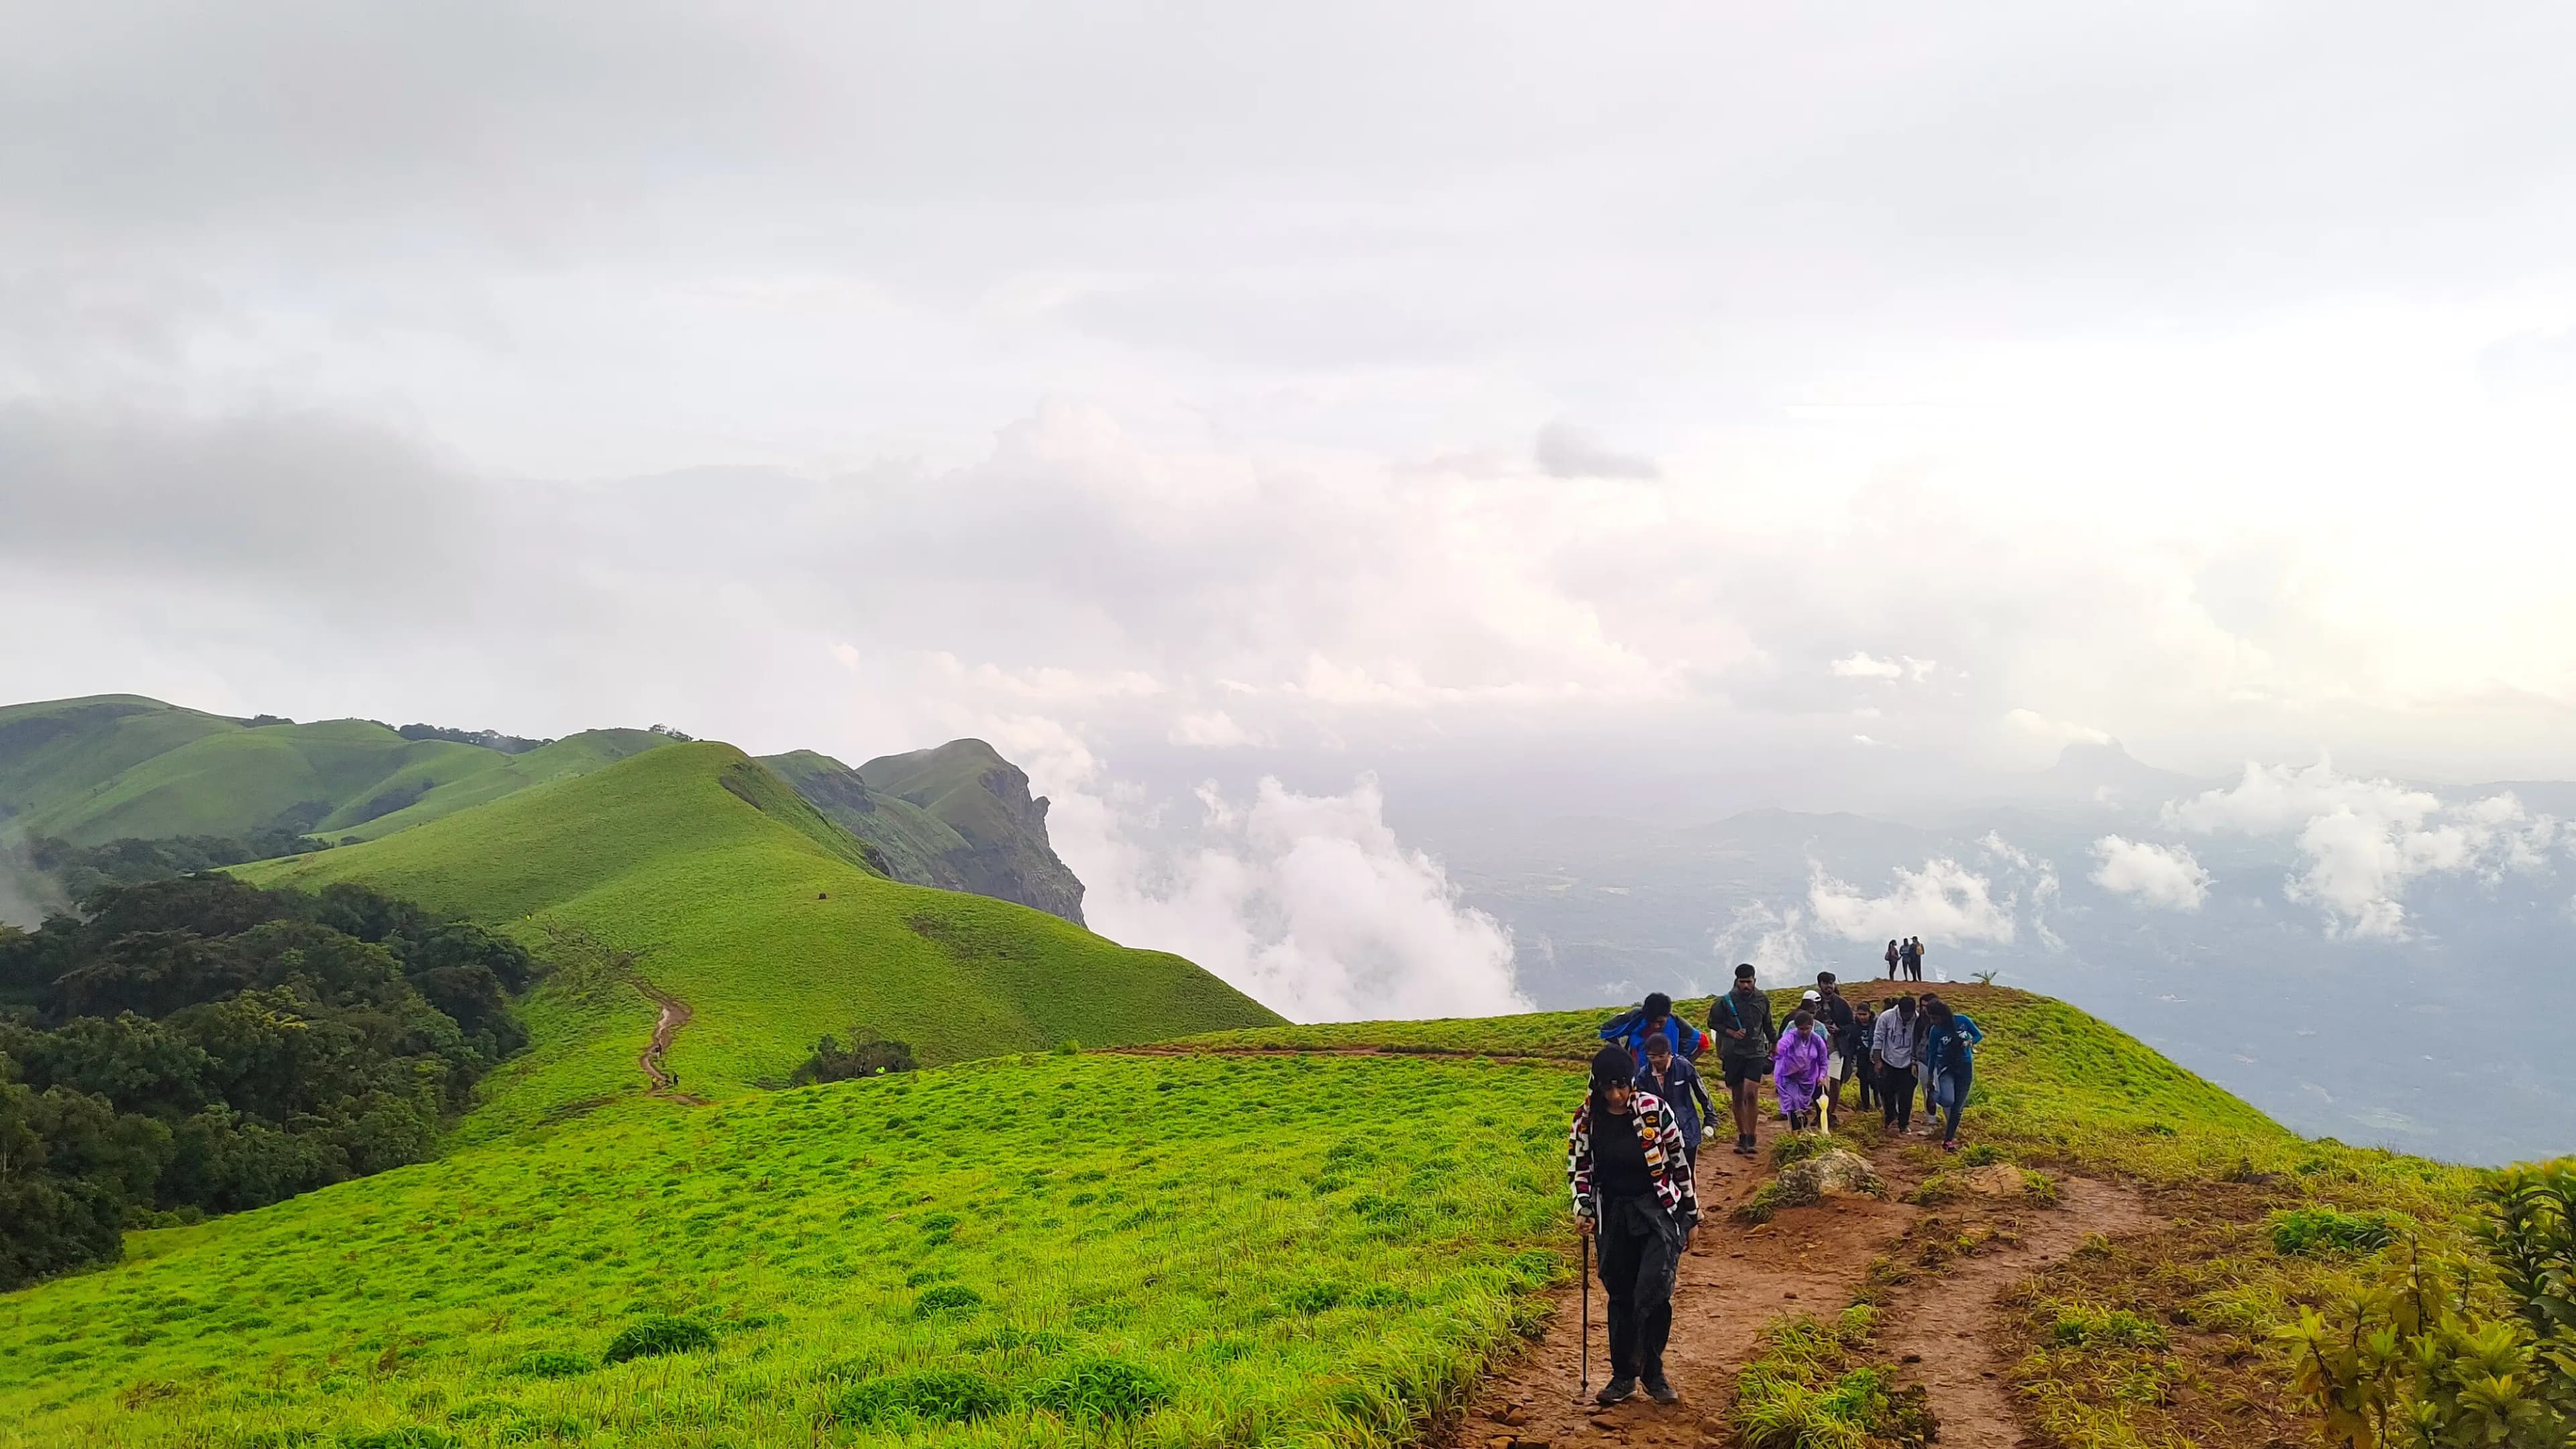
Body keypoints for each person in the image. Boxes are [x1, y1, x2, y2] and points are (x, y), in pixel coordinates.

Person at [1568, 1044, 1700, 1405]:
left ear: (1632, 1083)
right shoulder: (1586, 1119)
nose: (1616, 1095)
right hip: (1613, 1214)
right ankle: (1623, 1375)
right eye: (1607, 1089)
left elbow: (1678, 1162)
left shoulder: (1655, 1111)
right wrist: (1583, 1208)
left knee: (1654, 1291)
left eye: (1622, 1086)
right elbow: (1580, 1168)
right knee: (1621, 1294)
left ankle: (1654, 1374)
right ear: (1596, 1086)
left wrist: (1691, 1214)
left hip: (1658, 1210)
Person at [1708, 963, 1775, 1157]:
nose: (1746, 985)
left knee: (1751, 1093)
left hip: (1755, 1052)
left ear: (1755, 980)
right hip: (1733, 1053)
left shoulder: (1763, 999)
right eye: (1742, 982)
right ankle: (1742, 1136)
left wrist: (1774, 1043)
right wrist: (1731, 1032)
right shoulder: (1724, 1002)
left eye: (1749, 982)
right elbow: (1713, 1023)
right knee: (1737, 1096)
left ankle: (1752, 1137)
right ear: (1736, 981)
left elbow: (1768, 1023)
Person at [1635, 1033, 1717, 1174]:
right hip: (1659, 1131)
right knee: (1665, 1172)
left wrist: (1710, 1119)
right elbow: (1639, 1104)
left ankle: (1690, 1195)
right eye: (1652, 1057)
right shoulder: (1643, 1076)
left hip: (1687, 1128)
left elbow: (1701, 1092)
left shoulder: (1684, 1067)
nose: (1657, 1061)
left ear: (1669, 1053)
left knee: (1688, 1171)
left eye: (1661, 1056)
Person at [1922, 998, 1985, 1152]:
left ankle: (1948, 1141)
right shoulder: (1935, 1031)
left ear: (1943, 1015)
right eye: (1931, 1018)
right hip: (1946, 1068)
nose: (1933, 1021)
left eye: (1935, 1018)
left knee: (1957, 1109)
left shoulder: (1962, 1021)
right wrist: (1930, 1076)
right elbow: (1932, 1053)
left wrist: (1970, 1042)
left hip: (1964, 1068)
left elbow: (1978, 1035)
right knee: (1948, 1100)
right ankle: (1933, 1095)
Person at [1773, 1002, 1832, 1133]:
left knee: (1820, 1098)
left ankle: (1823, 1126)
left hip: (1811, 1075)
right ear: (1797, 1028)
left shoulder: (1817, 1040)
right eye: (1801, 1029)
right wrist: (1776, 1052)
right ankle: (1797, 1131)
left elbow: (1823, 1060)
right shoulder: (1790, 1037)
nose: (1805, 1032)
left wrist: (1822, 1076)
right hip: (1790, 1075)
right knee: (1793, 1101)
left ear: (1812, 1027)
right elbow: (1781, 1047)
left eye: (1807, 1029)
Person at [1601, 991, 1703, 1063]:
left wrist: (1681, 1062)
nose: (1656, 1026)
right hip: (1637, 1068)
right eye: (1652, 1021)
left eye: (1660, 1022)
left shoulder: (1678, 1024)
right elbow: (1607, 1029)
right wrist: (1623, 1054)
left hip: (1667, 1073)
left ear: (1668, 1016)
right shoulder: (1637, 1017)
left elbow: (1701, 1042)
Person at [1871, 994, 1921, 1131]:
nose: (1907, 1017)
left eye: (1909, 1014)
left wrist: (1915, 1063)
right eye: (1904, 1014)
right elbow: (1878, 1038)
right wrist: (1877, 1061)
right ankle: (1890, 1119)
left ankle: (1903, 1124)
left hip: (1908, 1063)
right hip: (1888, 1060)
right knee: (1887, 1093)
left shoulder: (1918, 1020)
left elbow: (1919, 1042)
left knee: (1907, 1095)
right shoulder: (1886, 1017)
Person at [1811, 972, 1856, 1110]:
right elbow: (1804, 1020)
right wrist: (1820, 1027)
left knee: (1835, 1080)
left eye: (1831, 983)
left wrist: (1839, 1029)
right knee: (1817, 1081)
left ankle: (1831, 1112)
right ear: (1820, 985)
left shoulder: (1842, 1004)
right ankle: (1820, 1111)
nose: (1829, 986)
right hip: (1815, 1047)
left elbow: (1852, 1025)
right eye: (1826, 983)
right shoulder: (1813, 1002)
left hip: (1836, 1046)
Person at [1847, 999, 1878, 1112]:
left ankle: (1878, 1104)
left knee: (1876, 1082)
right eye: (1859, 1014)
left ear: (1869, 1013)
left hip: (1874, 1057)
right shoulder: (1854, 1026)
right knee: (1863, 1081)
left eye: (1864, 1014)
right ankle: (1866, 1106)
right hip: (1862, 1057)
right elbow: (1851, 1043)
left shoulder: (1876, 1024)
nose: (1862, 1017)